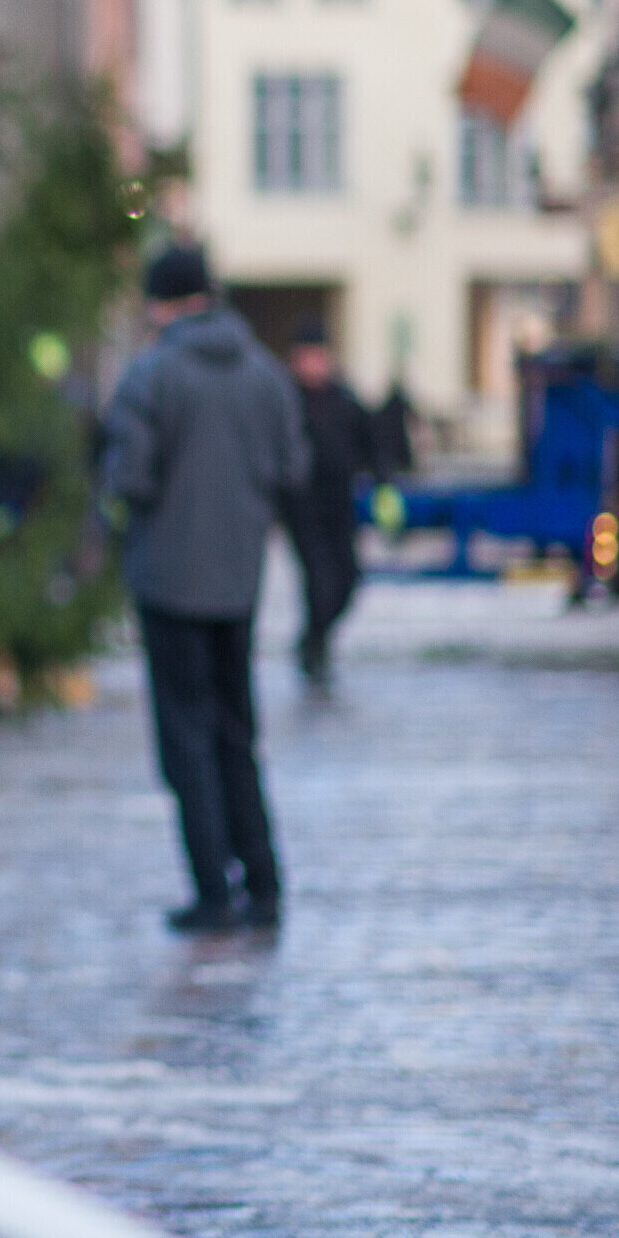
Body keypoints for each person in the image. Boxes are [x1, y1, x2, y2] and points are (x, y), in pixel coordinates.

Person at [100, 243, 308, 933]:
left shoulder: (150, 375)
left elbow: (130, 476)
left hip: (168, 579)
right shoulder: (265, 373)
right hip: (238, 581)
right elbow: (291, 467)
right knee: (236, 733)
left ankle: (213, 892)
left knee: (185, 740)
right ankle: (264, 883)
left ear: (160, 303)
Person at [280, 316, 371, 690]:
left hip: (339, 506)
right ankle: (315, 651)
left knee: (347, 580)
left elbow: (369, 443)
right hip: (302, 508)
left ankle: (313, 639)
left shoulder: (344, 399)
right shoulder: (287, 402)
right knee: (318, 582)